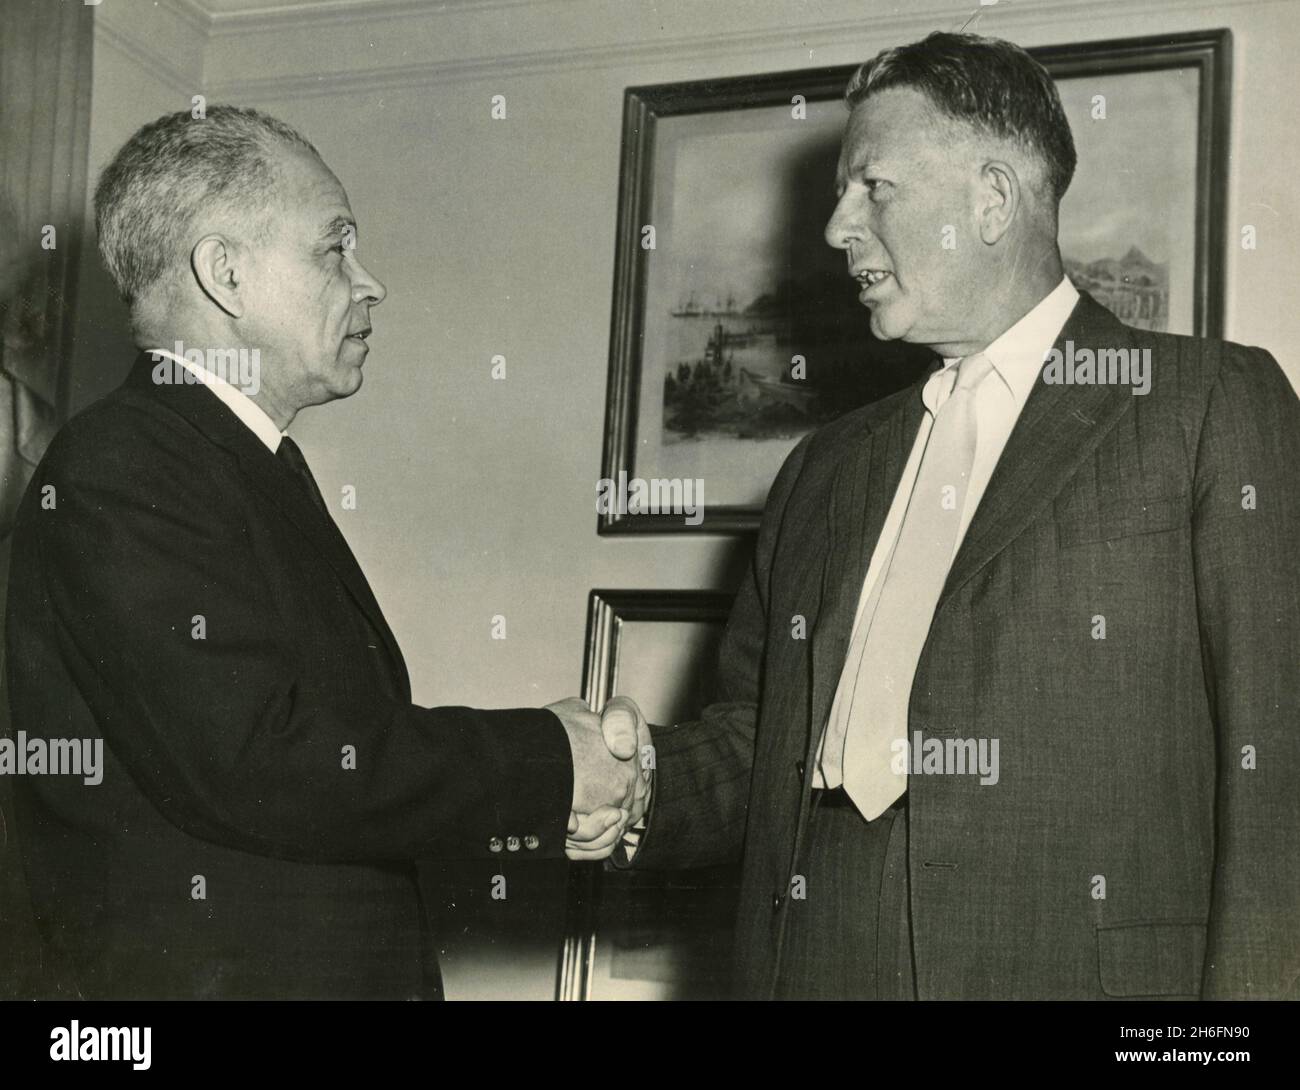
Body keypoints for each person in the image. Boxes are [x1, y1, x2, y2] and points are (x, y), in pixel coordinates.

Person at [572, 31, 1300, 1000]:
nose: (836, 227)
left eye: (871, 188)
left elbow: (1277, 784)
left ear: (990, 199)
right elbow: (764, 738)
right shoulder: (821, 471)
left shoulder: (1208, 406)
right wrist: (638, 782)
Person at [4, 105, 645, 999]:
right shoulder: (126, 464)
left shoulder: (228, 459)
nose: (370, 281)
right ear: (224, 273)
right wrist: (549, 760)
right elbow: (265, 760)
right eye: (334, 248)